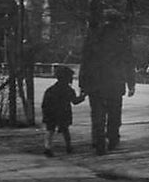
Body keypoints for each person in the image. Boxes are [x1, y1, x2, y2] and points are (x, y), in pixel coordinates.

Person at [78, 9, 136, 155]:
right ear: (118, 22)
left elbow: (85, 61)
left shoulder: (92, 37)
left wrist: (82, 84)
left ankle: (98, 142)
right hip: (115, 82)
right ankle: (113, 139)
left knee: (97, 113)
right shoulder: (123, 38)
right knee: (114, 112)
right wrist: (131, 83)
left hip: (94, 82)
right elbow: (129, 62)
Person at [41, 65, 87, 157]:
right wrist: (83, 96)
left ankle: (47, 147)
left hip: (50, 112)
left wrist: (45, 113)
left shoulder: (50, 90)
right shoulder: (68, 90)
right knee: (65, 130)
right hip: (63, 113)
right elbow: (74, 101)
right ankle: (68, 146)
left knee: (50, 130)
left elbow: (44, 104)